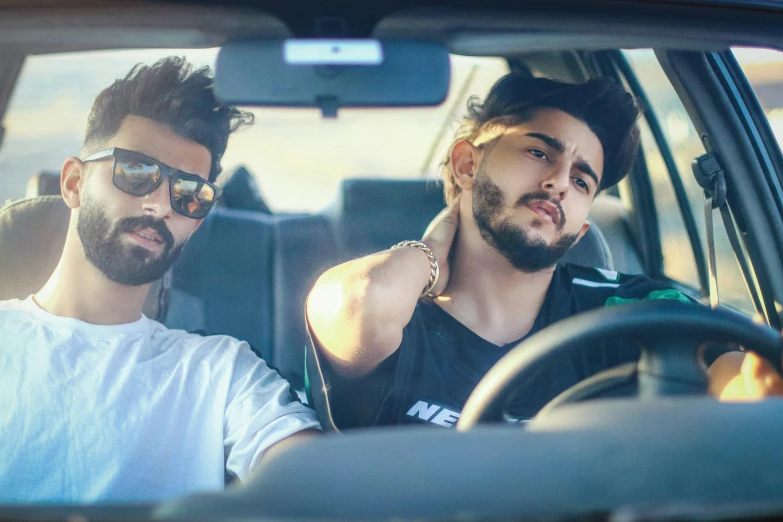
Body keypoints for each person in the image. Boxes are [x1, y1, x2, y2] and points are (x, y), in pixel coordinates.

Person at [306, 73, 782, 429]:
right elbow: (358, 300)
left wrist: (759, 390)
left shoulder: (629, 310)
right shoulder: (401, 314)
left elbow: (735, 376)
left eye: (581, 180)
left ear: (580, 229)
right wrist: (432, 249)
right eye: (539, 153)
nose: (558, 183)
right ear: (467, 164)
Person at [0, 57, 319, 504]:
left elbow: (314, 488)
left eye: (190, 193)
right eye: (136, 173)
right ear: (74, 183)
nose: (161, 205)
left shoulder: (220, 371)